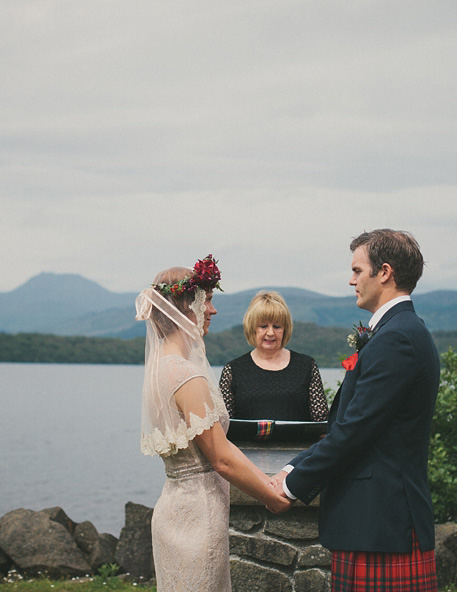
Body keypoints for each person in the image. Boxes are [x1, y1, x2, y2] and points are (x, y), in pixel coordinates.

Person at [270, 230, 441, 591]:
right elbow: (349, 426)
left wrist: (289, 485)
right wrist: (290, 466)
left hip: (382, 521)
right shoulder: (400, 332)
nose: (351, 280)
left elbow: (355, 431)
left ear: (385, 272)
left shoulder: (397, 338)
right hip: (374, 522)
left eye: (357, 270)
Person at [134, 255, 291, 591]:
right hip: (197, 517)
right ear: (185, 306)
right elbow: (219, 455)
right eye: (207, 301)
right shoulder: (185, 373)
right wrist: (271, 494)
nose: (213, 311)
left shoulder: (160, 368)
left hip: (173, 507)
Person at [219, 290, 329, 422]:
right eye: (263, 326)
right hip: (244, 444)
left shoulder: (306, 366)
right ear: (252, 328)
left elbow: (321, 422)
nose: (270, 333)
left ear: (285, 329)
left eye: (277, 326)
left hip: (300, 443)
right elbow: (224, 425)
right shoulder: (232, 370)